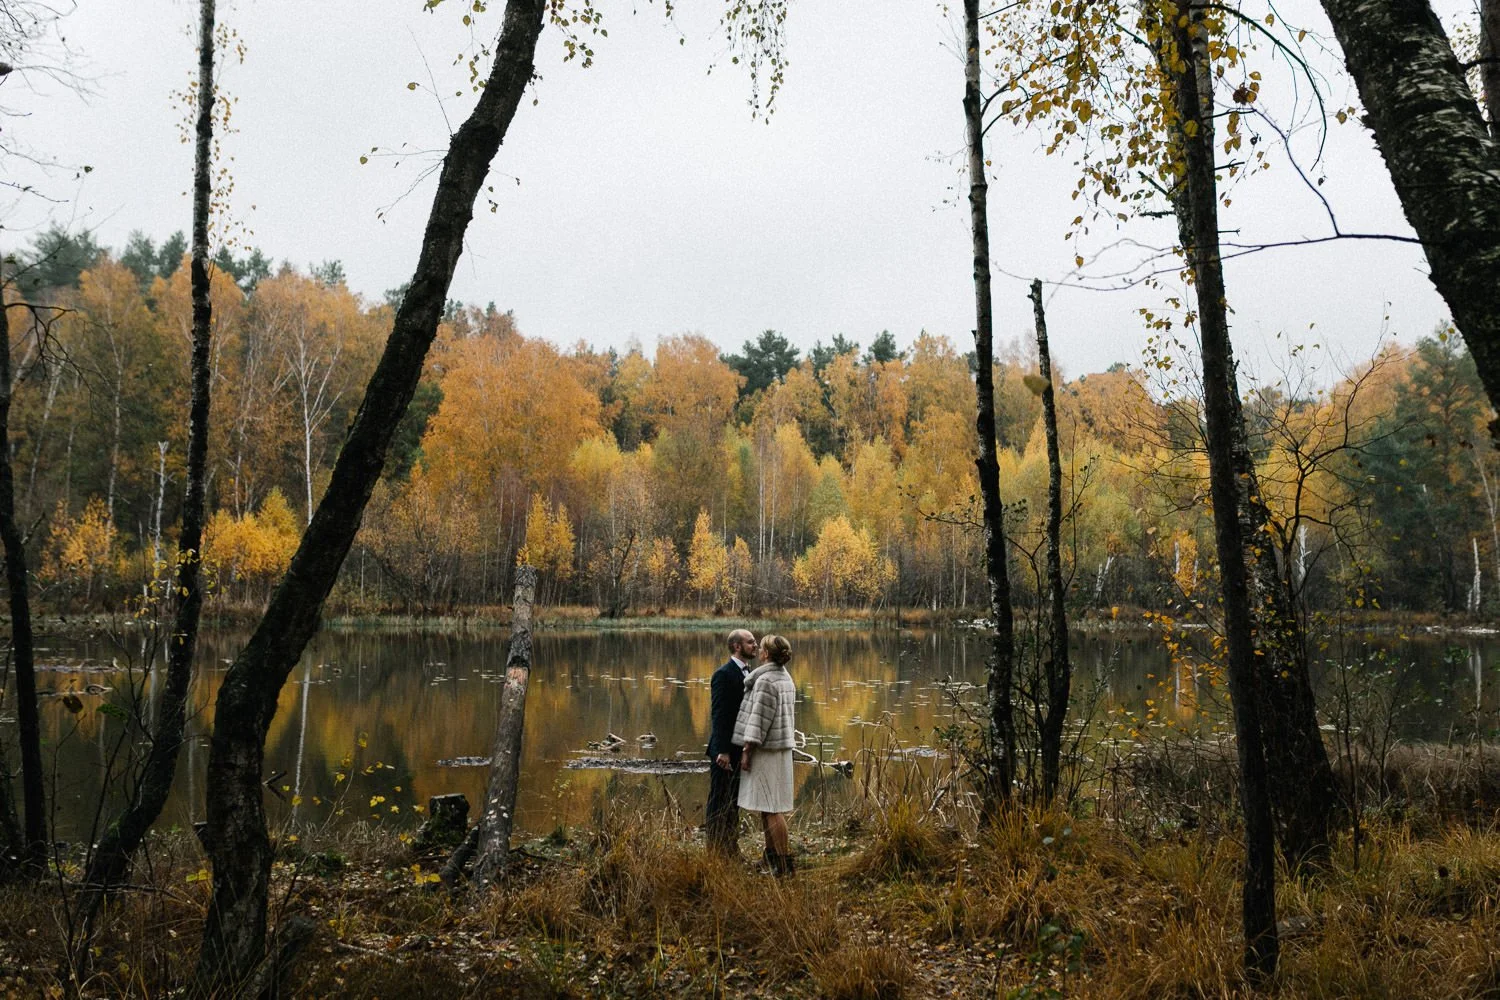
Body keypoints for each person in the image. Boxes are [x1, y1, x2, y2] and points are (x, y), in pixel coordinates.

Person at [733, 633, 797, 875]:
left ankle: (783, 864)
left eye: (762, 647)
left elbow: (758, 722)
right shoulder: (785, 678)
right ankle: (771, 858)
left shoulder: (765, 681)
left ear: (767, 654)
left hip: (767, 751)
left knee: (772, 808)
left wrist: (747, 752)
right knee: (768, 806)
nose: (758, 650)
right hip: (780, 749)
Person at [705, 628, 756, 858]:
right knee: (719, 802)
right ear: (737, 646)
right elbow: (719, 716)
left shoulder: (750, 672)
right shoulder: (723, 675)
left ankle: (731, 849)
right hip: (723, 752)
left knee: (733, 803)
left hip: (739, 750)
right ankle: (715, 852)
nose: (755, 645)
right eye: (750, 642)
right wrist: (722, 751)